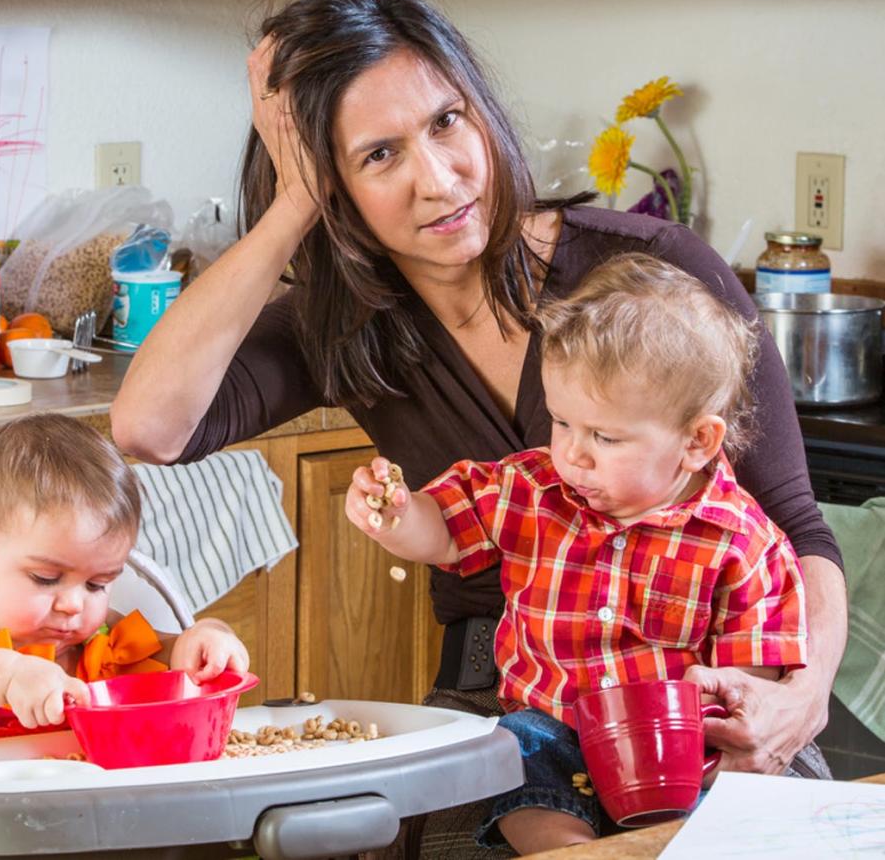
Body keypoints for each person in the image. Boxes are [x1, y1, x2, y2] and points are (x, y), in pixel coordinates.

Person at [110, 0, 843, 791]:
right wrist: (290, 205)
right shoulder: (341, 325)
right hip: (501, 708)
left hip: (707, 712)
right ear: (332, 184)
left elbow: (795, 523)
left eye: (445, 122)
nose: (439, 178)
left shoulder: (650, 275)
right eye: (377, 155)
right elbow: (149, 427)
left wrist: (800, 700)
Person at [343, 253, 807, 853]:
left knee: (738, 798)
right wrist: (399, 515)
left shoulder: (744, 542)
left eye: (605, 437)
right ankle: (565, 850)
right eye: (563, 423)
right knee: (512, 753)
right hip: (552, 729)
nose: (574, 456)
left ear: (697, 440)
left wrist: (722, 698)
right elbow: (444, 532)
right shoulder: (530, 489)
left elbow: (755, 678)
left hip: (676, 749)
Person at [0, 413, 248, 742]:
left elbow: (172, 652)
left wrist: (207, 638)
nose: (74, 604)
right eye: (45, 578)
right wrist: (8, 676)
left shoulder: (97, 635)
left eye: (97, 585)